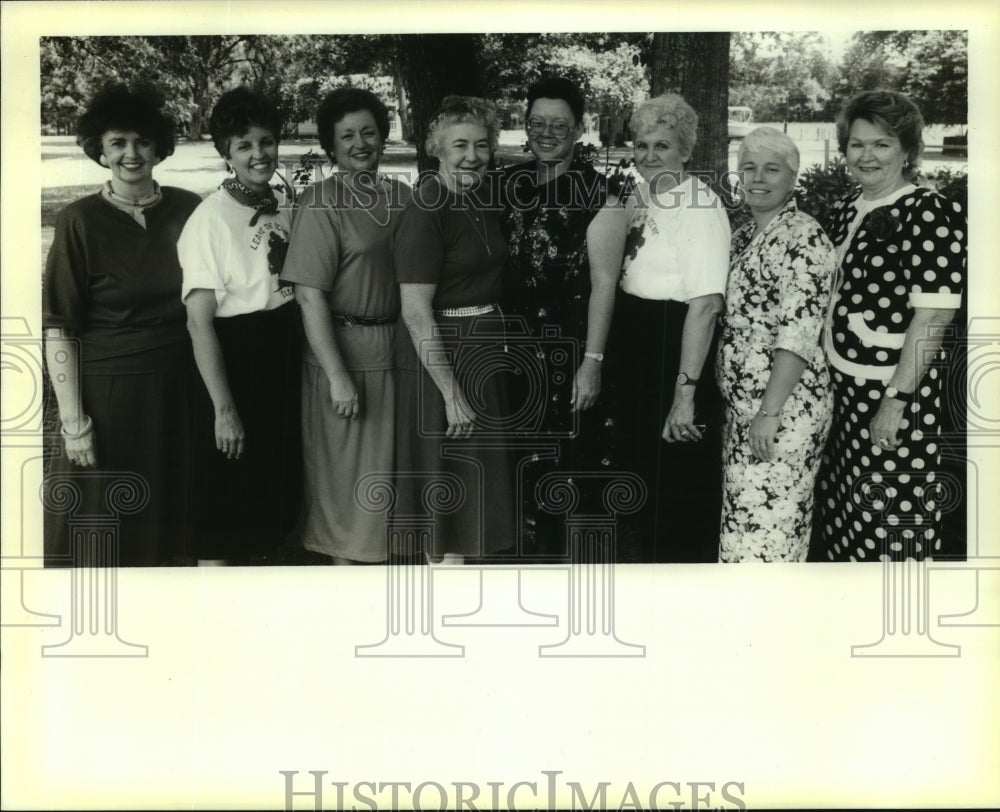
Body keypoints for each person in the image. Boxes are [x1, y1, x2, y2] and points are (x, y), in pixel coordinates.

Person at [43, 84, 202, 566]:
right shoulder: (79, 221)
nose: (131, 154)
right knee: (105, 530)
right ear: (100, 151)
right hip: (109, 399)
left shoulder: (189, 209)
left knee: (171, 525)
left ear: (158, 147)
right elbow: (59, 329)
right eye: (118, 143)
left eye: (142, 141)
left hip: (180, 393)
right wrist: (74, 423)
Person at [814, 90, 966, 562]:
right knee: (846, 510)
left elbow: (935, 314)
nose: (867, 155)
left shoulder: (928, 211)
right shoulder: (846, 209)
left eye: (881, 144)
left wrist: (896, 401)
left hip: (894, 395)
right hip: (843, 388)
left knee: (893, 515)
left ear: (907, 150)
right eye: (857, 144)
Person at [279, 88, 410, 564]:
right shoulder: (320, 202)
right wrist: (337, 377)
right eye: (347, 135)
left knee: (387, 484)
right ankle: (344, 586)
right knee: (347, 487)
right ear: (331, 147)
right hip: (343, 357)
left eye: (369, 132)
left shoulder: (402, 196)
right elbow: (309, 295)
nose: (360, 143)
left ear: (384, 137)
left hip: (395, 354)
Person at [500, 76, 624, 559]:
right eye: (537, 123)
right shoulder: (507, 184)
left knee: (563, 470)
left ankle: (564, 572)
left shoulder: (601, 196)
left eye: (560, 124)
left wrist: (591, 362)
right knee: (516, 468)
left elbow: (604, 285)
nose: (547, 133)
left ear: (578, 129)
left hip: (567, 354)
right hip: (509, 351)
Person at [178, 87, 301, 565]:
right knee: (227, 489)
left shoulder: (281, 202)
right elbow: (198, 324)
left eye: (266, 142)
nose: (258, 154)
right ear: (225, 153)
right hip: (236, 356)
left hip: (281, 349)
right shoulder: (209, 219)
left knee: (270, 484)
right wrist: (223, 409)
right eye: (244, 145)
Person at [606, 93, 731, 563]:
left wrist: (685, 393)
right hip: (639, 343)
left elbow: (704, 305)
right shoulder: (641, 197)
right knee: (646, 473)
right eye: (641, 146)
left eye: (662, 146)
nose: (649, 156)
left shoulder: (697, 204)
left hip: (675, 344)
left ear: (684, 149)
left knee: (676, 476)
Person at [393, 96, 515, 564]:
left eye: (481, 145)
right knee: (448, 496)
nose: (472, 155)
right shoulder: (428, 207)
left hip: (481, 357)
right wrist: (450, 393)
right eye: (459, 144)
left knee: (473, 499)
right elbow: (416, 312)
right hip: (444, 362)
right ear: (436, 150)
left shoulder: (479, 197)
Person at [717, 127, 836, 562]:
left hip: (784, 411)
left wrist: (769, 413)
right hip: (745, 409)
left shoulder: (804, 236)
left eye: (772, 169)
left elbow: (798, 332)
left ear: (793, 178)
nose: (758, 178)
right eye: (748, 168)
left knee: (770, 535)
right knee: (745, 530)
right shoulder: (746, 232)